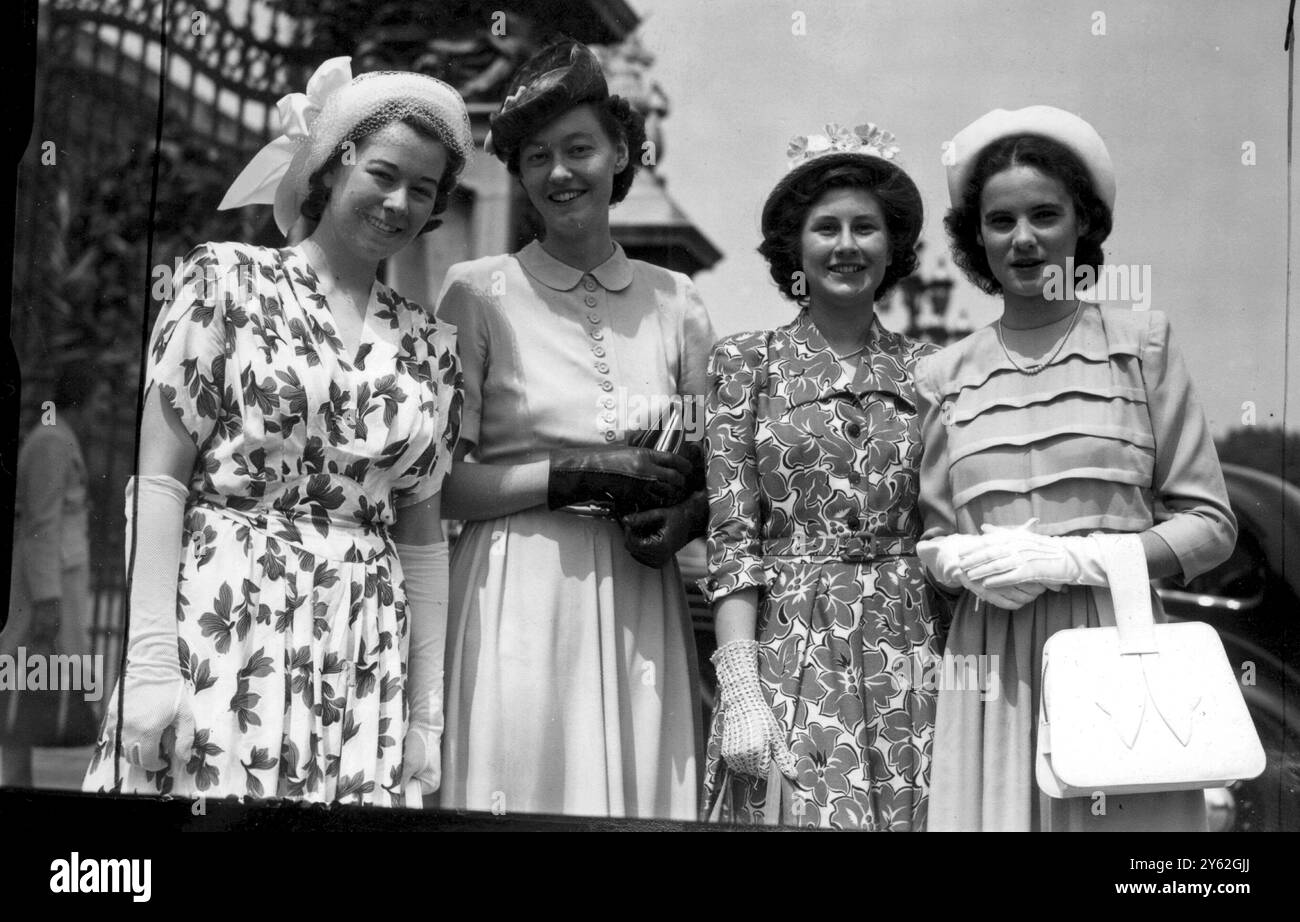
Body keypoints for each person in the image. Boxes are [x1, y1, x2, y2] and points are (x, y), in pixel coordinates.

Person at [82, 58, 471, 804]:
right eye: (384, 174)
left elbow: (423, 538)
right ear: (332, 165)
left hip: (361, 648)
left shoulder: (430, 347)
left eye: (422, 190)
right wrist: (152, 658)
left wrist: (427, 714)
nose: (399, 203)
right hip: (229, 623)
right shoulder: (224, 283)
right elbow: (161, 477)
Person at [916, 105, 1237, 831]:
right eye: (1000, 221)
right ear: (977, 238)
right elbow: (931, 541)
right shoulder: (942, 375)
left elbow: (1211, 527)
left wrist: (1079, 563)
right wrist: (962, 558)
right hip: (990, 659)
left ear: (1081, 225)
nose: (1023, 239)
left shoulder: (1140, 344)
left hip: (1114, 641)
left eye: (1044, 215)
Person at [436, 41, 714, 820]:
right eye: (535, 157)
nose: (559, 173)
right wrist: (570, 474)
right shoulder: (476, 293)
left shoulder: (677, 303)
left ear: (621, 152)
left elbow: (716, 464)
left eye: (580, 149)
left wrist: (687, 512)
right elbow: (443, 486)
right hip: (514, 592)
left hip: (639, 594)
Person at [702, 123, 943, 830]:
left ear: (892, 246)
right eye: (827, 227)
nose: (847, 245)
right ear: (795, 249)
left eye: (866, 228)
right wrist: (741, 682)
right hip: (790, 644)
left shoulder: (932, 370)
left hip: (911, 646)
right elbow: (733, 538)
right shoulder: (748, 362)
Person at [1, 366, 111, 786]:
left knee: (24, 687)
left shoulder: (59, 437)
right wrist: (48, 599)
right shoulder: (52, 441)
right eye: (101, 398)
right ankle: (17, 786)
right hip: (43, 589)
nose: (105, 409)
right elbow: (40, 524)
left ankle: (19, 785)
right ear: (80, 398)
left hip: (54, 585)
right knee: (23, 684)